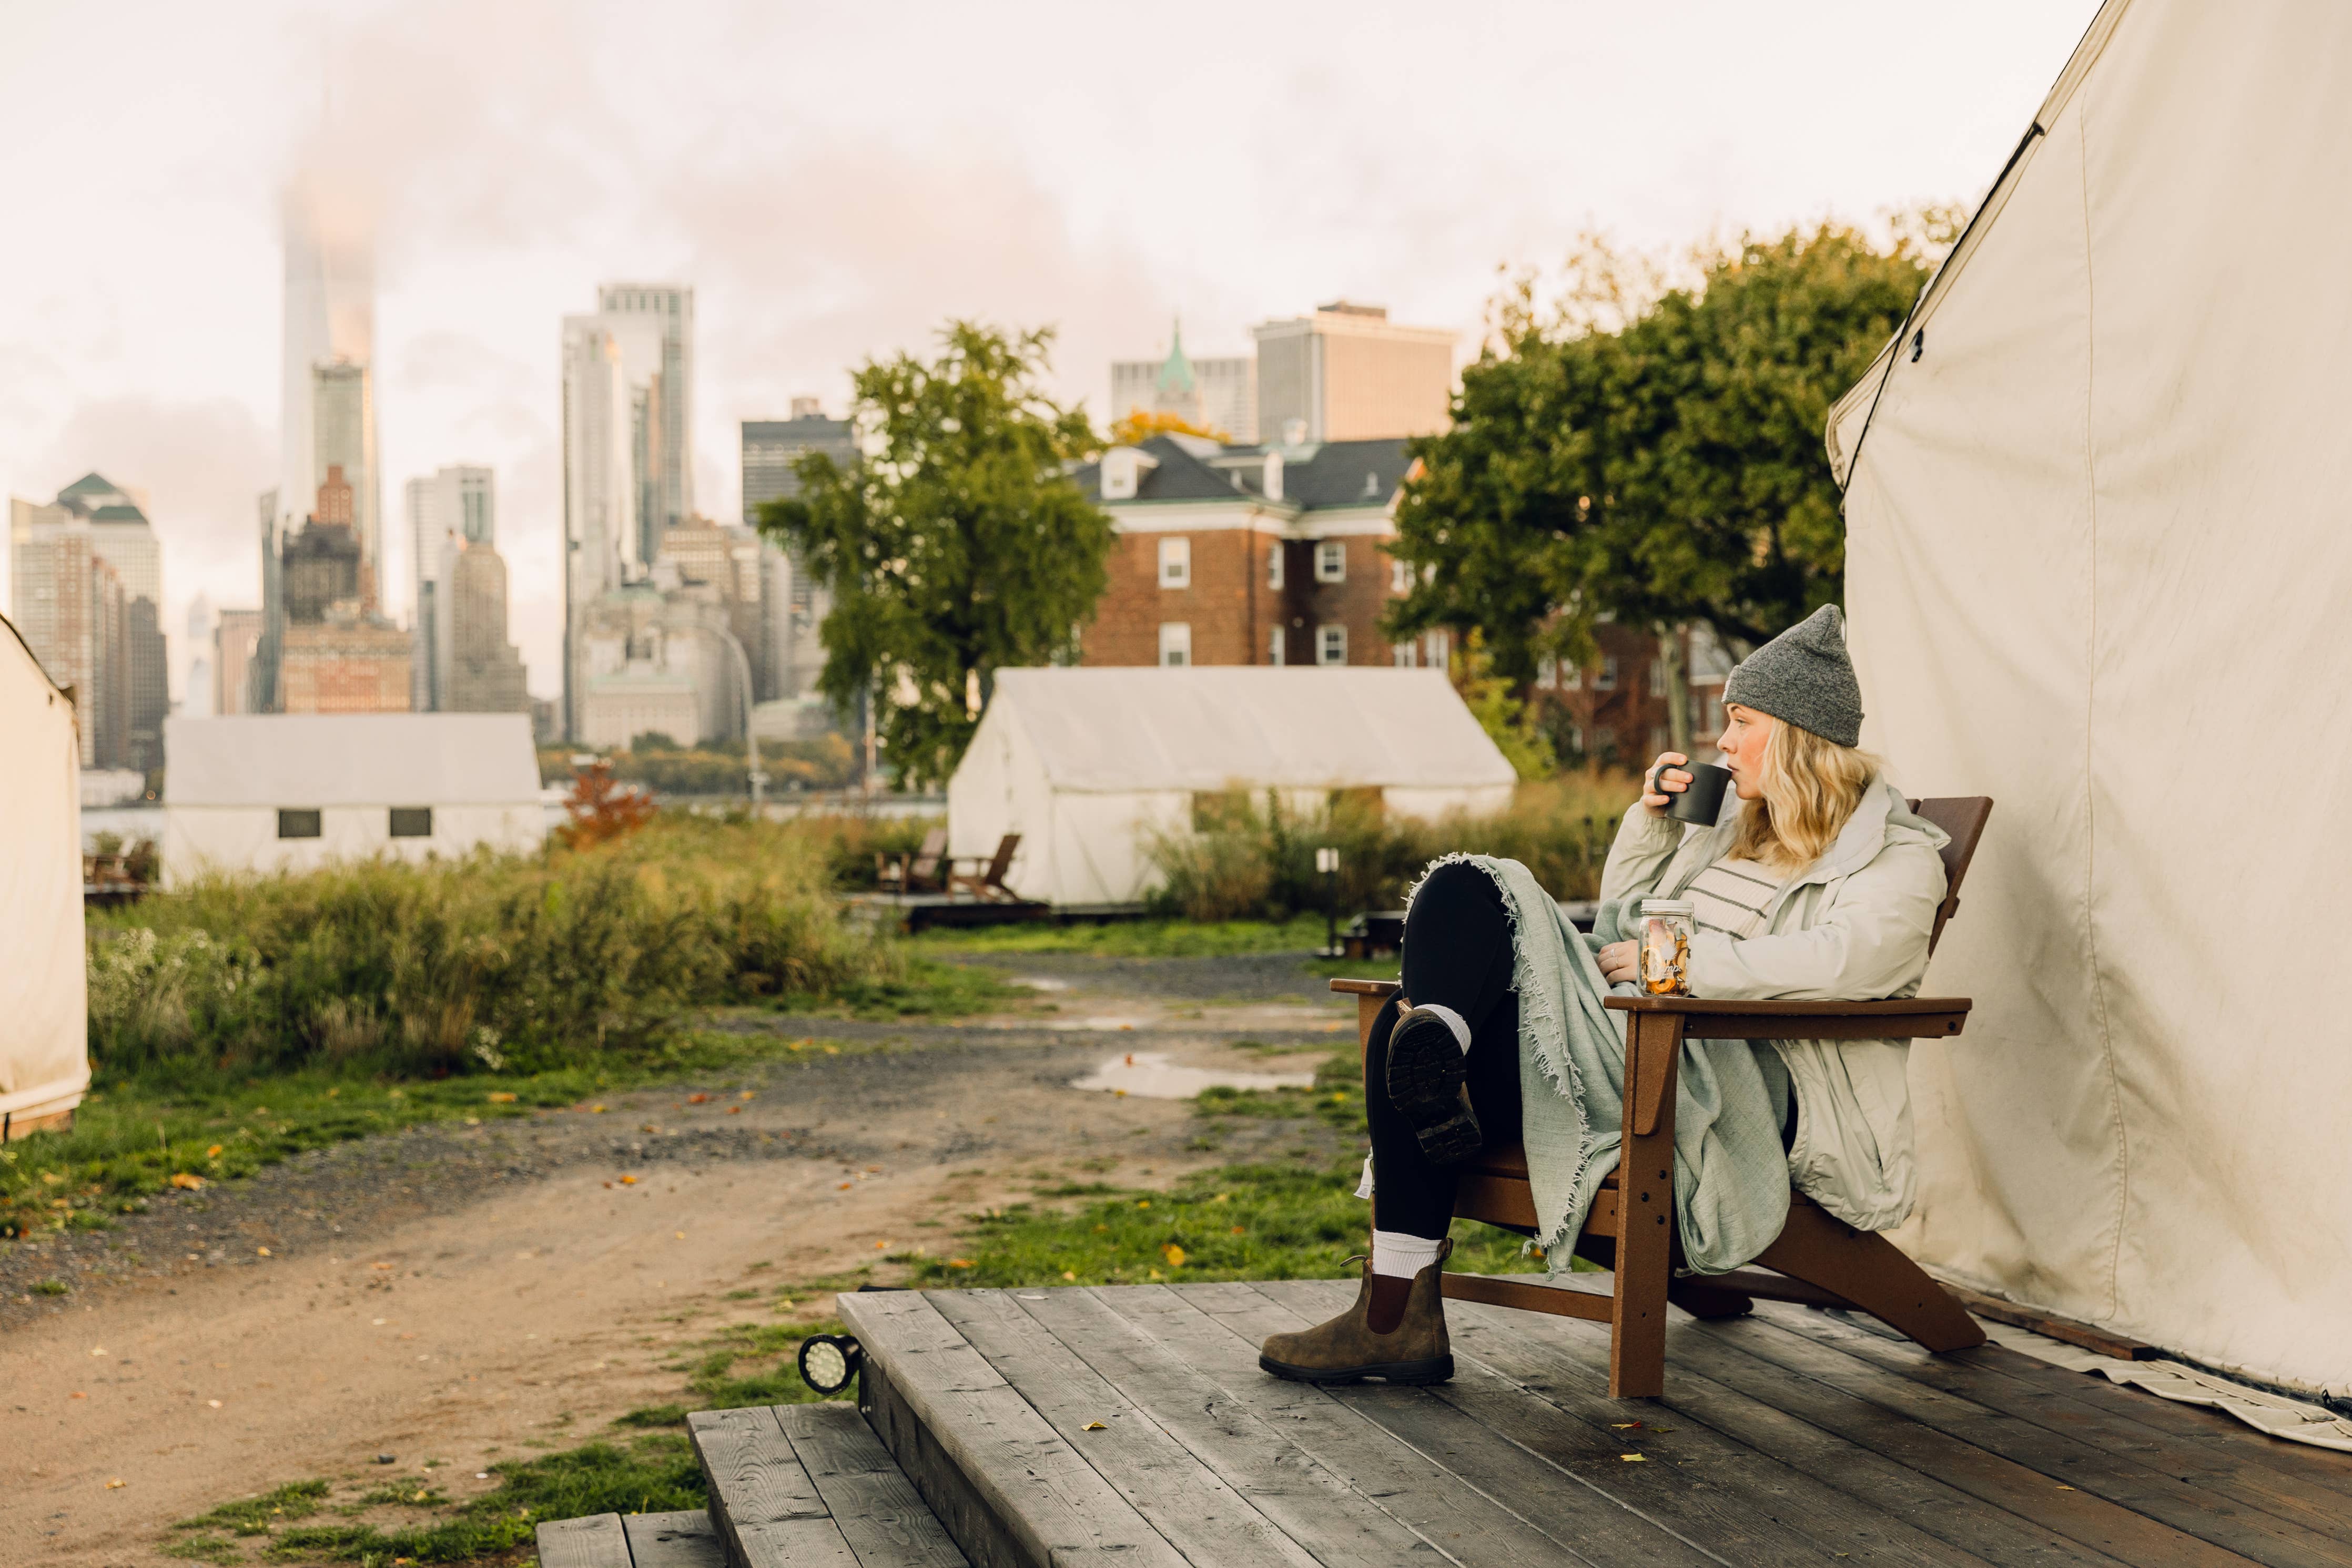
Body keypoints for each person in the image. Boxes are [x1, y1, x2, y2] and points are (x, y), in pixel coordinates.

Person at [1259, 605, 1950, 1385]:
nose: (1722, 742)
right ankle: (1398, 1299)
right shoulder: (1733, 829)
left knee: (1475, 893)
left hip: (1741, 1084)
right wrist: (1654, 825)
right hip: (1646, 1046)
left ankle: (1406, 1253)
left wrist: (1684, 971)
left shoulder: (1895, 855)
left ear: (1794, 735)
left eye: (1741, 721)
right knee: (1404, 1017)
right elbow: (1625, 919)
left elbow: (1856, 962)